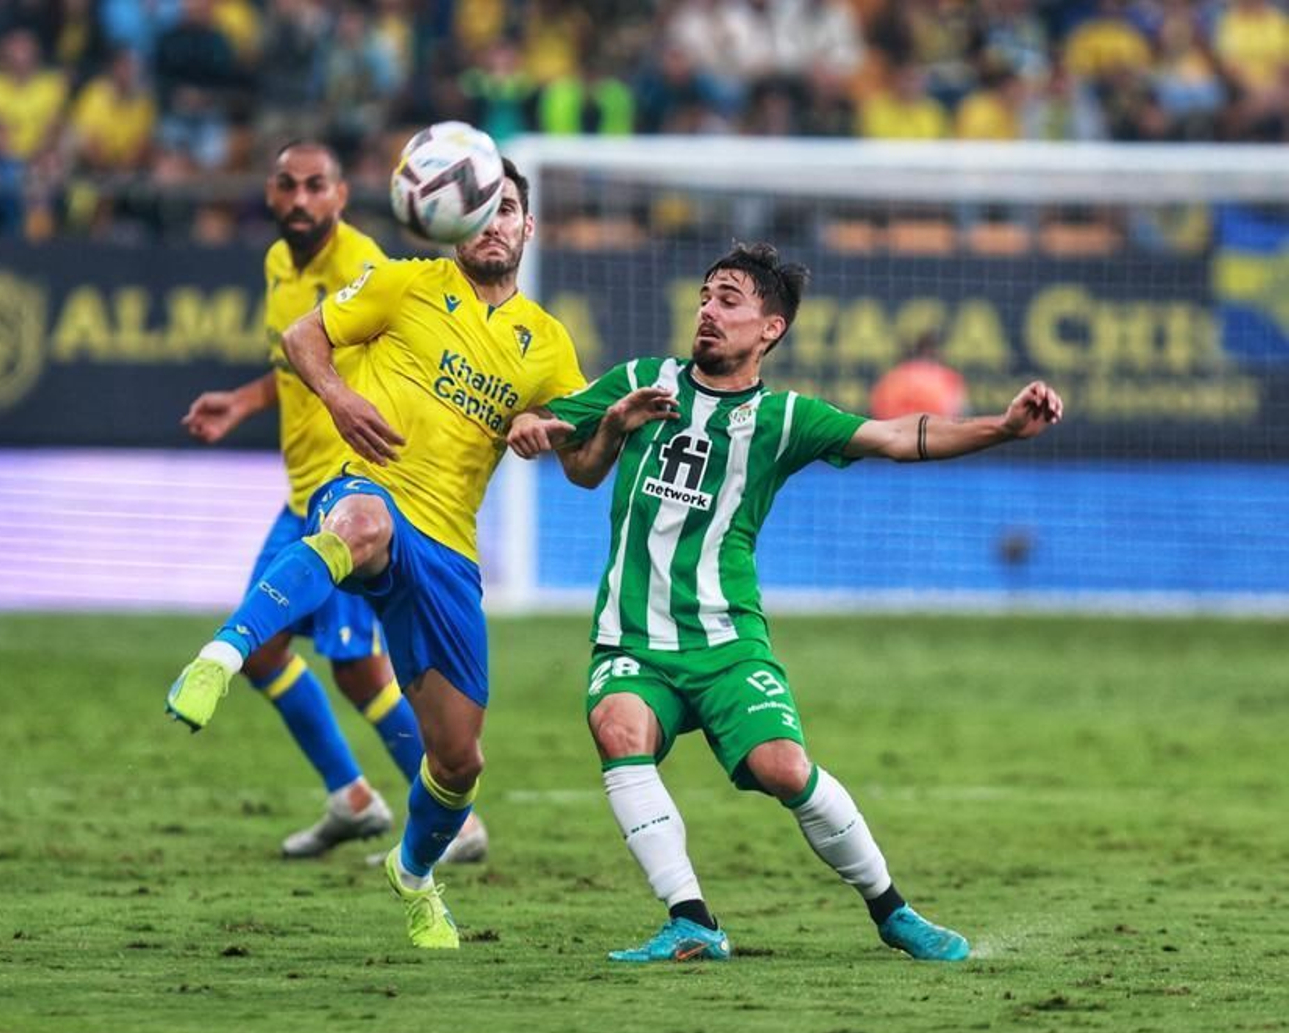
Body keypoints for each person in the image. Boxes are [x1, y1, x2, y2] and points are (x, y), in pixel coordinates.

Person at [507, 241, 1063, 963]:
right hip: (632, 637)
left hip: (727, 639)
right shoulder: (642, 379)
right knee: (618, 728)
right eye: (705, 297)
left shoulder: (786, 418)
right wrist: (592, 423)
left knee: (784, 768)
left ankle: (893, 910)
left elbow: (899, 435)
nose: (708, 311)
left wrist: (1004, 427)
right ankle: (692, 919)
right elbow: (578, 465)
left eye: (729, 300)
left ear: (770, 328)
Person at [167, 158, 585, 948]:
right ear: (452, 219)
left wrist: (566, 431)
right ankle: (219, 654)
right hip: (360, 487)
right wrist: (340, 398)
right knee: (358, 529)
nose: (493, 222)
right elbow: (302, 340)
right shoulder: (401, 281)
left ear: (529, 226)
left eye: (507, 209)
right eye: (481, 208)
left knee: (458, 760)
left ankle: (413, 871)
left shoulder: (549, 344)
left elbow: (585, 463)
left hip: (449, 552)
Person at [178, 141, 485, 863]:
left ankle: (459, 824)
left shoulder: (365, 267)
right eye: (287, 185)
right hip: (300, 493)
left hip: (349, 495)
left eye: (316, 186)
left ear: (342, 196)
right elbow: (298, 362)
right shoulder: (278, 264)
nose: (300, 200)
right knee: (265, 650)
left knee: (358, 667)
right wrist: (244, 401)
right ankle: (351, 797)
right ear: (269, 192)